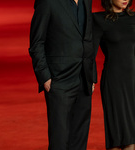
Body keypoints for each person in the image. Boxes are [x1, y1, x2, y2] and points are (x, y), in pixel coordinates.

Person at [28, 0, 97, 149]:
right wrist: (44, 76)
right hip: (59, 79)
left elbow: (89, 38)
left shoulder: (87, 1)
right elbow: (36, 42)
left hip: (84, 77)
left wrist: (92, 75)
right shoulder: (48, 2)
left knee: (79, 138)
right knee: (59, 139)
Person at [93, 0, 135, 150]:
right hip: (113, 81)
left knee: (131, 133)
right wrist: (91, 78)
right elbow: (90, 53)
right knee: (117, 134)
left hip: (131, 81)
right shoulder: (99, 20)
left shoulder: (133, 18)